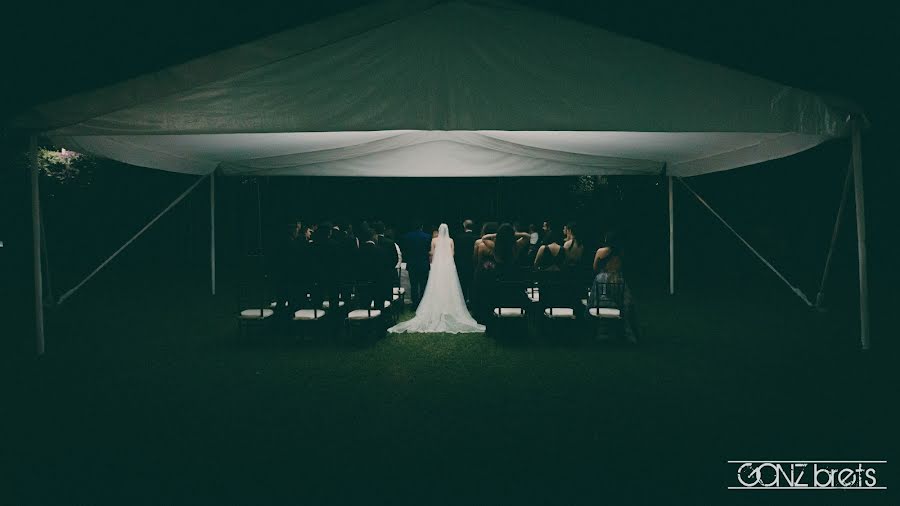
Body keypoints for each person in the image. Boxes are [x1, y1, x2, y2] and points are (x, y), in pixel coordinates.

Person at [388, 224, 485, 334]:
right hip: (448, 266)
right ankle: (449, 307)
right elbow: (452, 254)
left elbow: (432, 253)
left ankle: (431, 305)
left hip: (437, 266)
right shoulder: (451, 240)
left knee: (436, 285)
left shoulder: (434, 240)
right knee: (449, 286)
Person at [589, 230, 640, 343]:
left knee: (596, 298)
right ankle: (625, 331)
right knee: (623, 302)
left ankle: (598, 331)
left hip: (602, 279)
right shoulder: (620, 253)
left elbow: (595, 267)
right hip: (618, 280)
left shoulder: (601, 251)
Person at [399, 222, 432, 307]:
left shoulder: (407, 236)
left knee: (413, 285)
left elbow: (405, 250)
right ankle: (423, 304)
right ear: (421, 226)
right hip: (423, 263)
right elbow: (428, 250)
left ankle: (415, 304)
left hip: (412, 263)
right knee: (423, 285)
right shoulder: (427, 236)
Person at [454, 219, 478, 302]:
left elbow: (456, 252)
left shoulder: (459, 237)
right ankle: (471, 301)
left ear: (464, 226)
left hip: (462, 263)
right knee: (472, 283)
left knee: (462, 283)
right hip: (473, 263)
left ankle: (463, 301)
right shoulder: (477, 237)